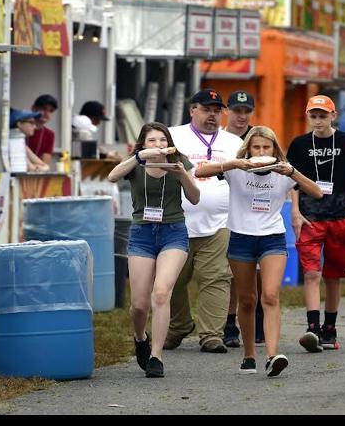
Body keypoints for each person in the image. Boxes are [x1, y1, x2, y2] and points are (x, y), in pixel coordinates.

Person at [195, 125, 324, 378]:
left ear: (275, 150)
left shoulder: (283, 173)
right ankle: (249, 355)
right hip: (241, 238)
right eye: (257, 147)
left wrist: (293, 171)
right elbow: (200, 170)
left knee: (270, 295)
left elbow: (317, 192)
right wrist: (233, 163)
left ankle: (273, 355)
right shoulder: (237, 170)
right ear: (249, 149)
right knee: (246, 299)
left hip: (272, 239)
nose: (262, 151)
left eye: (267, 147)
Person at [106, 123, 202, 377]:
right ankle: (140, 337)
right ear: (142, 144)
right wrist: (139, 157)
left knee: (161, 293)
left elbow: (195, 197)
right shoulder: (135, 163)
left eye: (162, 140)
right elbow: (112, 177)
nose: (158, 145)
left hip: (173, 232)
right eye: (152, 141)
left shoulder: (178, 161)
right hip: (142, 234)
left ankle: (156, 357)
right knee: (139, 304)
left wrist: (182, 174)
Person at [164, 88, 243, 354]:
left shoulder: (233, 143)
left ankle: (211, 334)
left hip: (220, 222)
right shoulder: (172, 136)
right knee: (171, 278)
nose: (212, 115)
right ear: (192, 110)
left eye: (217, 110)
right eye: (206, 109)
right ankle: (179, 325)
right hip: (176, 222)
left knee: (216, 278)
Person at [287, 94, 345, 353]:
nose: (318, 121)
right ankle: (312, 327)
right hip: (310, 217)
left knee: (333, 275)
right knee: (311, 273)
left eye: (323, 116)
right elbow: (292, 180)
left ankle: (330, 329)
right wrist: (294, 211)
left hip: (339, 216)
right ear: (308, 117)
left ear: (333, 116)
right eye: (313, 116)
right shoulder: (298, 144)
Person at [220, 89, 264, 349]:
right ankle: (228, 322)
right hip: (221, 206)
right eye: (237, 111)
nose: (242, 116)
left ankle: (256, 318)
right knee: (231, 273)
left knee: (254, 270)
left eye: (247, 111)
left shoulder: (258, 139)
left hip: (252, 206)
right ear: (228, 111)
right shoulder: (220, 139)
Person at [27, 94, 59, 164]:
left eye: (51, 111)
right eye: (44, 109)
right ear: (33, 108)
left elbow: (45, 163)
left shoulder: (49, 134)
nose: (47, 113)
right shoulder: (20, 128)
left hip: (36, 172)